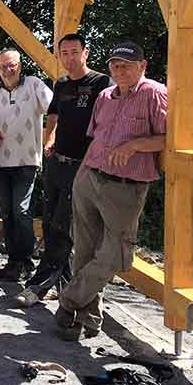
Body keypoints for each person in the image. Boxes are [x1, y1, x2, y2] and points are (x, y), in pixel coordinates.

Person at [55, 41, 167, 341]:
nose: (120, 70)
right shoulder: (105, 95)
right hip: (90, 177)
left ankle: (69, 300)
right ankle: (85, 320)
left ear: (142, 66)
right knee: (85, 250)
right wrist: (82, 171)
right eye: (115, 65)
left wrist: (134, 145)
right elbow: (95, 136)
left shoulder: (155, 93)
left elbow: (168, 138)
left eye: (127, 65)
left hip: (126, 186)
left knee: (116, 255)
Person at [16, 33, 111, 307]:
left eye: (74, 52)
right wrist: (50, 140)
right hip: (58, 161)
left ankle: (37, 286)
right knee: (50, 223)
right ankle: (67, 285)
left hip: (84, 166)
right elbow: (54, 117)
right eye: (64, 53)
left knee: (63, 225)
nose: (69, 58)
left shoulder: (101, 83)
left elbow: (107, 124)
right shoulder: (61, 84)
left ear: (86, 53)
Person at [0, 49, 53, 282]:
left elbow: (55, 110)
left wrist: (52, 138)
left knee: (21, 211)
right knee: (7, 213)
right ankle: (14, 262)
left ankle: (26, 262)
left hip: (26, 160)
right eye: (2, 67)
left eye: (11, 66)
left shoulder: (34, 84)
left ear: (20, 65)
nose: (7, 70)